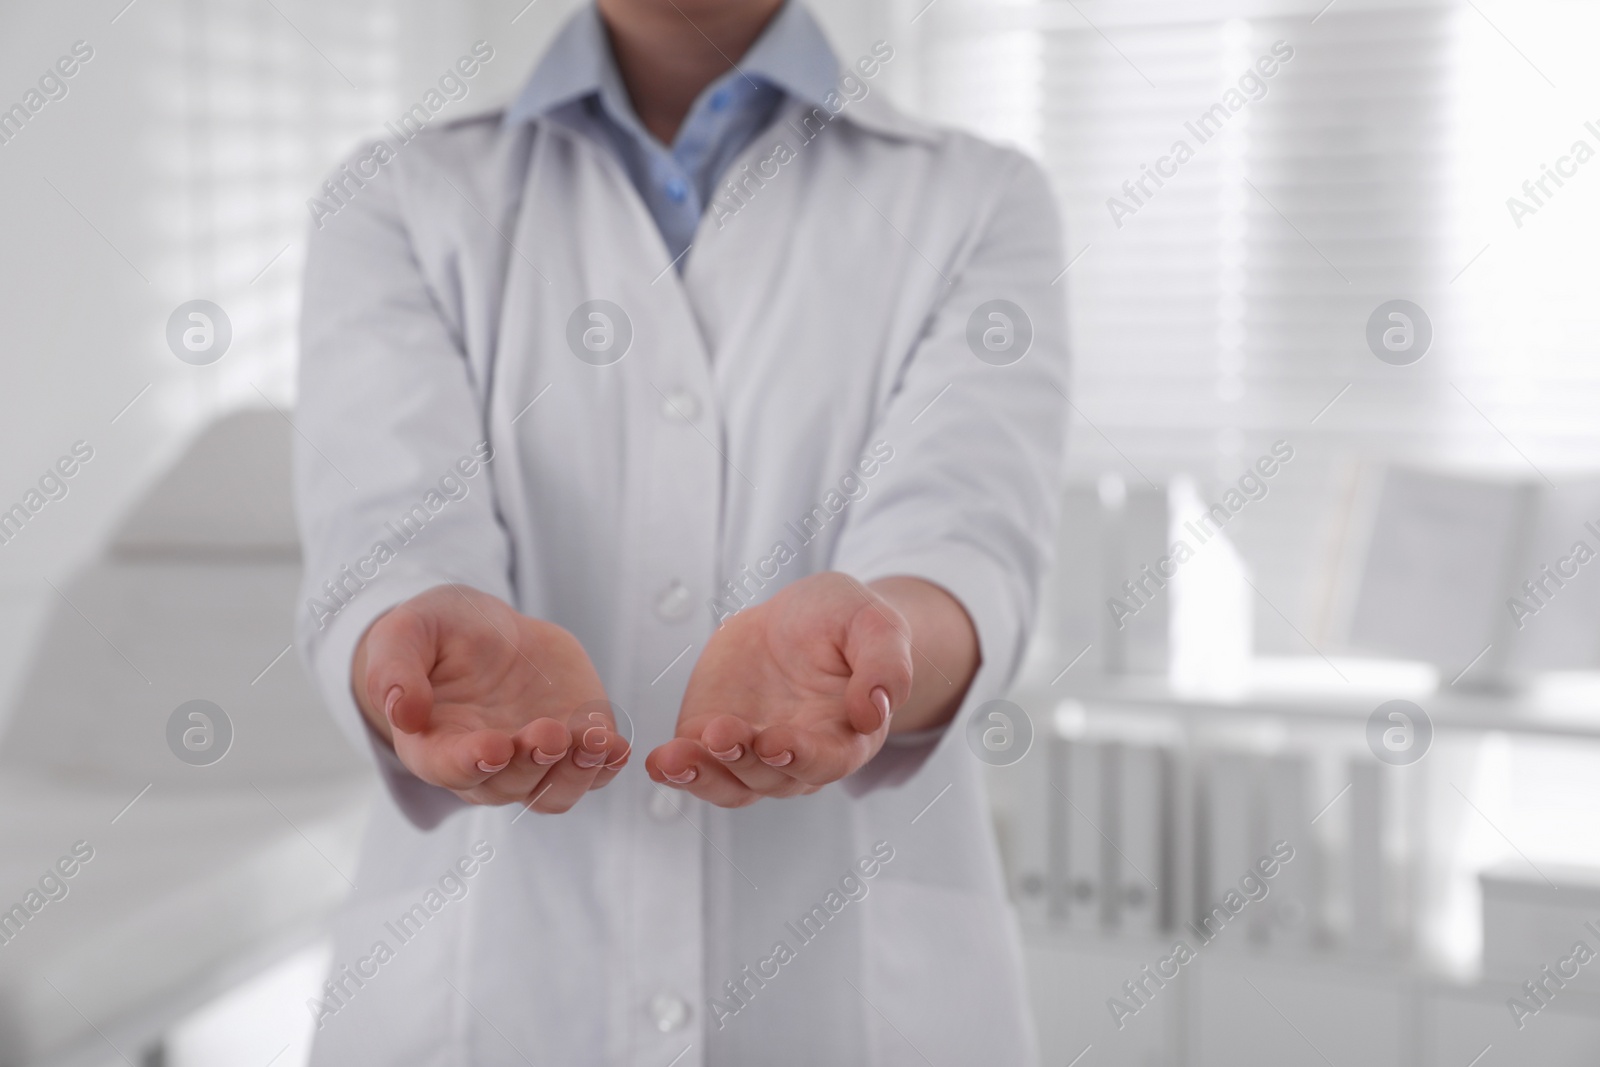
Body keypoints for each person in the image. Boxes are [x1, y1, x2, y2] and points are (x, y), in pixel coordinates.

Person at [293, 0, 1067, 1062]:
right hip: (487, 988)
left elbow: (966, 533)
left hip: (854, 1000)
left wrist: (879, 637)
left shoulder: (979, 200)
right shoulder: (393, 198)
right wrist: (411, 635)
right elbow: (388, 532)